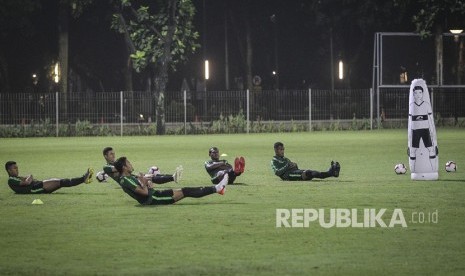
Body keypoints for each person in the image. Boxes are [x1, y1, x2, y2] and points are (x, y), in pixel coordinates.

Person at [113, 156, 229, 205]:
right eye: (128, 163)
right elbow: (144, 192)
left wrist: (146, 182)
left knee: (185, 191)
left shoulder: (128, 177)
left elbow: (147, 186)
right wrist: (144, 183)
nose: (130, 164)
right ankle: (218, 188)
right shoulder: (125, 180)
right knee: (186, 191)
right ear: (124, 167)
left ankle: (218, 188)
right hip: (153, 199)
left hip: (154, 195)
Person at [101, 146, 182, 184]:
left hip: (131, 177)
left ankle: (173, 176)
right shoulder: (106, 167)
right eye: (111, 154)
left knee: (151, 176)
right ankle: (173, 177)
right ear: (105, 156)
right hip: (127, 182)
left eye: (114, 153)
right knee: (150, 178)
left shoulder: (116, 163)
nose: (113, 155)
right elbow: (118, 168)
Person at [5, 161, 94, 194]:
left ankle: (84, 179)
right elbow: (27, 182)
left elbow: (28, 178)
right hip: (35, 188)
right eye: (15, 168)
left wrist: (29, 177)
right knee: (61, 182)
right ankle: (83, 179)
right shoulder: (11, 179)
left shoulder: (16, 178)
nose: (17, 170)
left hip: (37, 185)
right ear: (9, 171)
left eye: (17, 168)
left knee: (61, 182)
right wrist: (29, 177)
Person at [270, 142, 340, 181]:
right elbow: (277, 172)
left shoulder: (285, 159)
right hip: (289, 176)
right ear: (276, 150)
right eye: (281, 149)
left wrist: (294, 165)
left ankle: (331, 173)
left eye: (283, 149)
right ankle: (331, 172)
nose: (282, 151)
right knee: (309, 173)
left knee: (310, 172)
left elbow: (294, 167)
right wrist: (288, 166)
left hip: (295, 172)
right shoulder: (274, 161)